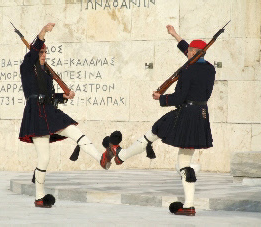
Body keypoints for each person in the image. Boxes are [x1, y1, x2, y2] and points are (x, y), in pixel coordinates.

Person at [101, 25, 216, 216]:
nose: (186, 53)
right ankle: (188, 205)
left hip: (185, 112)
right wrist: (175, 35)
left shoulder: (188, 70)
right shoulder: (210, 69)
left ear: (194, 53)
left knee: (155, 131)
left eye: (189, 52)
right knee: (185, 161)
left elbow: (179, 98)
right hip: (201, 115)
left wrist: (161, 98)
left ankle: (122, 155)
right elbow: (190, 52)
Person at [19, 23, 113, 208]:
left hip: (49, 111)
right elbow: (32, 54)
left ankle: (101, 158)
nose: (44, 55)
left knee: (74, 131)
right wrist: (43, 32)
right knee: (44, 159)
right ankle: (39, 196)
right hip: (36, 114)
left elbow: (50, 95)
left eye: (46, 52)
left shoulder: (46, 74)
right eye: (41, 52)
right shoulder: (27, 68)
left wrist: (64, 96)